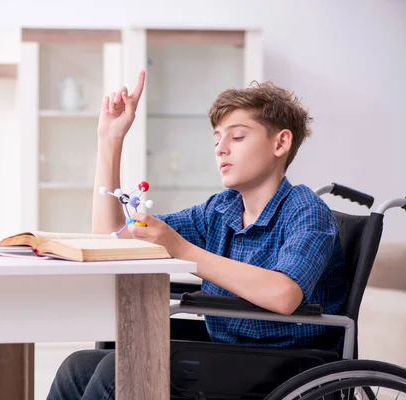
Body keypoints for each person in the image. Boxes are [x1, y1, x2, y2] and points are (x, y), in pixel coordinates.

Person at [46, 71, 349, 400]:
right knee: (77, 366)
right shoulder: (220, 210)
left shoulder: (306, 210)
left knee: (117, 373)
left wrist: (182, 250)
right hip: (228, 355)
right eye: (217, 138)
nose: (220, 149)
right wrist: (110, 139)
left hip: (289, 366)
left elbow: (284, 295)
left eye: (237, 137)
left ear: (280, 143)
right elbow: (112, 237)